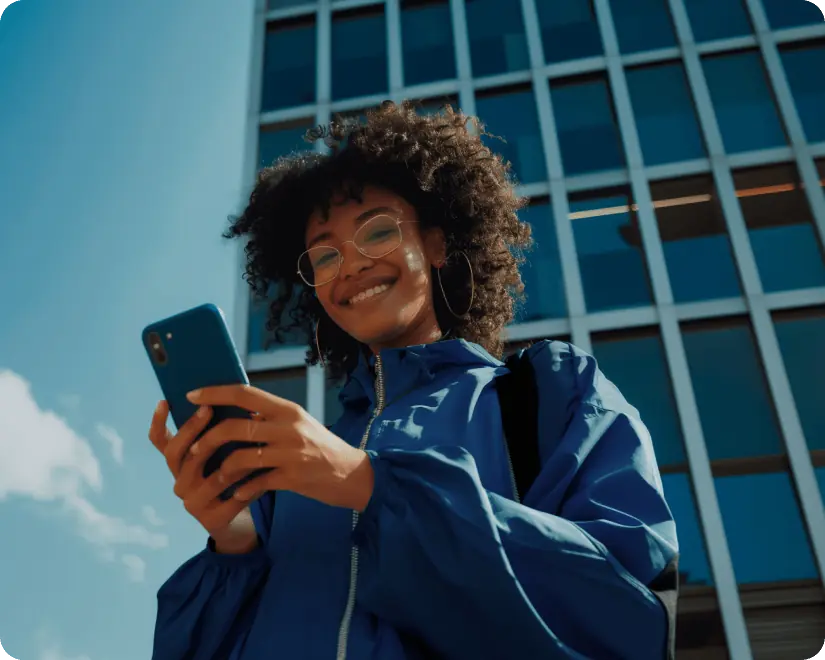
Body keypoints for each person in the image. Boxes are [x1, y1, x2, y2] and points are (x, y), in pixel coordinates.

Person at [149, 101, 678, 659]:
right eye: (323, 256)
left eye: (376, 231)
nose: (348, 265)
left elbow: (626, 611)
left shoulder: (551, 394)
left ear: (438, 243)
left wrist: (370, 484)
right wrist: (233, 545)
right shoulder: (285, 480)